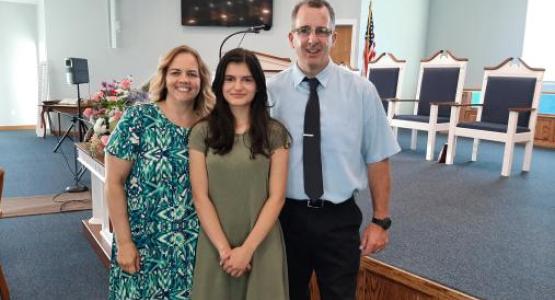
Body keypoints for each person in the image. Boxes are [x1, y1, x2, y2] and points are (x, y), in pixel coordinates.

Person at [267, 1, 401, 299]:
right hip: (286, 218)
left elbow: (378, 157)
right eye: (304, 30)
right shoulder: (270, 93)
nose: (312, 39)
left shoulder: (362, 91)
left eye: (321, 31)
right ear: (292, 38)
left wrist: (380, 221)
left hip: (339, 219)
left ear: (333, 38)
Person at [104, 44, 214, 299]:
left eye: (192, 74)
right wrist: (124, 243)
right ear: (163, 76)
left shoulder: (209, 126)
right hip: (142, 243)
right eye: (176, 72)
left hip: (191, 246)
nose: (184, 80)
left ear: (201, 80)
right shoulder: (137, 119)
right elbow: (113, 183)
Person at [189, 48, 290, 300]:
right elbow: (200, 197)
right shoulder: (202, 132)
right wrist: (226, 251)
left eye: (247, 79)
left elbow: (277, 198)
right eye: (230, 79)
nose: (238, 86)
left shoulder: (275, 133)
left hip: (261, 243)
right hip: (215, 244)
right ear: (219, 84)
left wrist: (247, 250)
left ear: (258, 85)